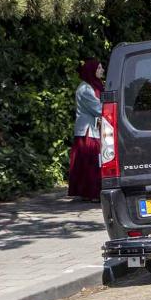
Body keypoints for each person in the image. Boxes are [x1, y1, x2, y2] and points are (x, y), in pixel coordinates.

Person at [69, 60, 104, 202]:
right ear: (92, 70)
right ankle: (92, 193)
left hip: (94, 129)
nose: (102, 70)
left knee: (90, 161)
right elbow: (98, 108)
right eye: (99, 68)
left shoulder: (95, 85)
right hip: (88, 131)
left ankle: (87, 192)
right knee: (92, 161)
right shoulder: (85, 89)